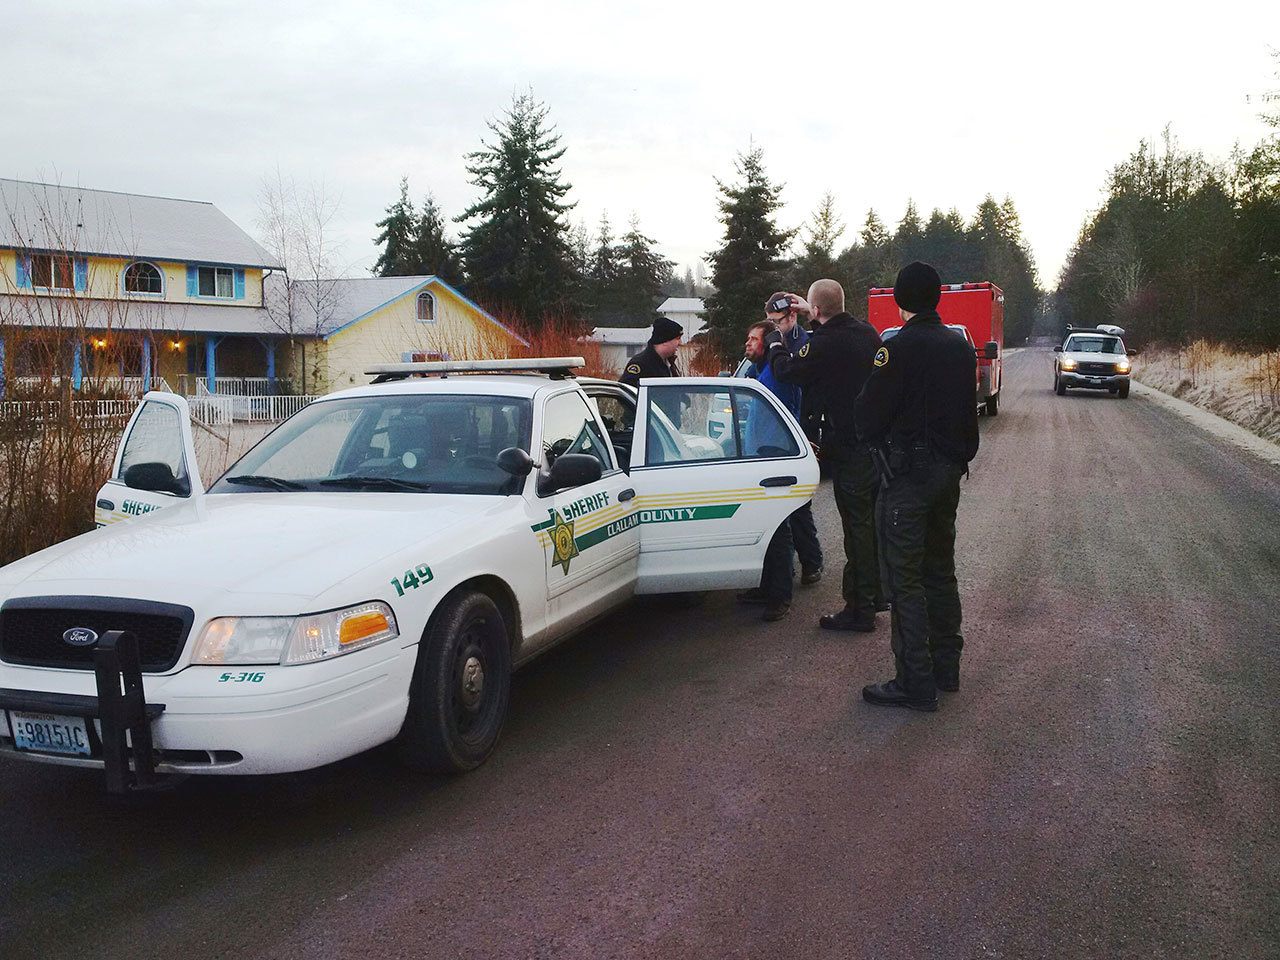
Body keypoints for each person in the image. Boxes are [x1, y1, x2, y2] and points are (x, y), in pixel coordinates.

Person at [854, 261, 980, 712]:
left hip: (908, 479)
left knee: (904, 579)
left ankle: (915, 681)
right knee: (940, 570)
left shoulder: (896, 349)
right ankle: (947, 668)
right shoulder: (960, 347)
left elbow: (868, 415)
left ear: (901, 301)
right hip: (948, 473)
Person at [765, 279, 883, 632]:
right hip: (875, 446)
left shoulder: (823, 344)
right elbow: (839, 329)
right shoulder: (867, 333)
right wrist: (812, 313)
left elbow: (787, 370)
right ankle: (874, 595)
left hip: (848, 448)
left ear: (815, 310)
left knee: (857, 529)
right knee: (869, 525)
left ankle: (860, 609)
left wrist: (776, 340)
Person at [735, 320, 796, 621]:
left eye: (753, 339)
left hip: (775, 457)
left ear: (768, 344)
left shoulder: (776, 373)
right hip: (759, 457)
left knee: (778, 528)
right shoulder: (759, 371)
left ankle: (780, 595)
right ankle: (765, 585)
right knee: (761, 525)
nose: (747, 344)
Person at [764, 293, 824, 585]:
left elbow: (795, 381)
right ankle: (783, 569)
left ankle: (811, 561)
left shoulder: (804, 343)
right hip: (773, 432)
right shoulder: (771, 340)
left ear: (792, 316)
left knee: (799, 504)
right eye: (770, 321)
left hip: (798, 429)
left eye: (778, 321)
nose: (774, 327)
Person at [619, 316, 682, 387]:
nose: (680, 343)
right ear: (665, 341)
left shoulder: (668, 363)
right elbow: (626, 390)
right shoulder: (641, 364)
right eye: (678, 338)